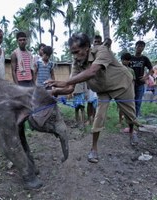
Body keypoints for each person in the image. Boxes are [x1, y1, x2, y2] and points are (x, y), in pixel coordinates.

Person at [45, 33, 140, 163]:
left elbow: (92, 71)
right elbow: (70, 88)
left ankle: (131, 132)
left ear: (87, 47)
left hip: (122, 84)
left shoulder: (102, 51)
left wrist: (64, 82)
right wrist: (55, 91)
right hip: (103, 90)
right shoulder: (77, 62)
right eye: (72, 53)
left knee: (131, 116)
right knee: (98, 118)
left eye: (77, 52)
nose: (75, 56)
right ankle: (93, 149)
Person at [131, 40, 153, 117]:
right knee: (130, 101)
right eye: (139, 46)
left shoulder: (145, 58)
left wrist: (146, 77)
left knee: (138, 101)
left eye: (142, 47)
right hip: (131, 83)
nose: (140, 48)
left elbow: (151, 69)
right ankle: (129, 118)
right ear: (135, 47)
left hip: (140, 83)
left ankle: (135, 118)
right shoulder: (130, 58)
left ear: (143, 48)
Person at [85, 35, 102, 125]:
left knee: (97, 103)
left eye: (99, 42)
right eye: (95, 42)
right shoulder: (89, 54)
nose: (97, 43)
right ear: (93, 43)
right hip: (90, 81)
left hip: (100, 82)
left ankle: (96, 119)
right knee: (89, 102)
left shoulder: (103, 53)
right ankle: (89, 119)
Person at [118, 52, 135, 127]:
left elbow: (133, 81)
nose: (126, 61)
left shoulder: (131, 70)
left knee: (129, 108)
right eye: (124, 60)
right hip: (121, 91)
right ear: (121, 60)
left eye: (127, 60)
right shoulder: (118, 69)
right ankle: (120, 122)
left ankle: (130, 123)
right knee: (121, 107)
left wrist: (133, 91)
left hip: (129, 91)